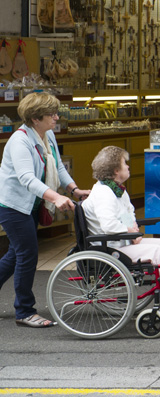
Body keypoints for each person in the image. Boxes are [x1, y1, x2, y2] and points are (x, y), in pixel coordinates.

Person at [82, 146, 160, 312]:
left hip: (120, 242)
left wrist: (132, 229)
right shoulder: (104, 193)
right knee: (157, 252)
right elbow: (108, 225)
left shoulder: (117, 190)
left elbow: (127, 211)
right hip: (109, 248)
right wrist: (130, 231)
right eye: (124, 163)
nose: (128, 166)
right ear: (115, 170)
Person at [0, 92, 87, 328]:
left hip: (32, 204)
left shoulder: (46, 134)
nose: (57, 117)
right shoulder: (20, 141)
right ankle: (25, 311)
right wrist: (55, 196)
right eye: (52, 114)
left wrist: (74, 189)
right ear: (35, 118)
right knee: (27, 254)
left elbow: (57, 166)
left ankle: (24, 308)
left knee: (16, 254)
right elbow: (27, 178)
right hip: (13, 206)